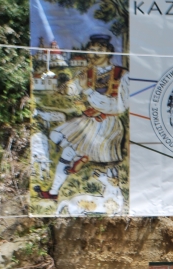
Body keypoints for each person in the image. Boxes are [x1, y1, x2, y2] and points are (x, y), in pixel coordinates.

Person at [35, 34, 128, 200]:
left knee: (108, 165)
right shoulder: (88, 72)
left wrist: (88, 90)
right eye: (92, 50)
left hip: (108, 124)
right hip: (89, 122)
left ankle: (115, 199)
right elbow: (74, 88)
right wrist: (66, 88)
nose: (94, 54)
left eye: (99, 50)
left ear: (108, 52)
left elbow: (119, 107)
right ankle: (54, 192)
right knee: (65, 147)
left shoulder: (122, 75)